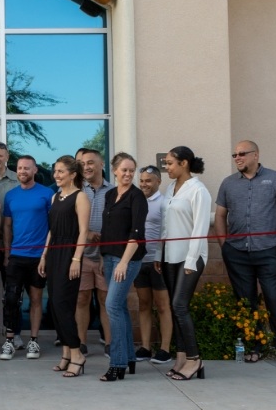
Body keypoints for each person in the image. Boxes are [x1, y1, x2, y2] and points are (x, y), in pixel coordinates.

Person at [216, 140, 276, 366]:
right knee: (246, 301)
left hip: (269, 250)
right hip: (237, 253)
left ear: (256, 155)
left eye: (242, 154)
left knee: (273, 298)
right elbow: (220, 216)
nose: (238, 158)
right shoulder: (228, 183)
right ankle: (254, 346)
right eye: (235, 155)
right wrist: (225, 246)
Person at [154, 147, 211, 381]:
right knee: (175, 307)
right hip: (169, 255)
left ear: (184, 163)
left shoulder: (198, 190)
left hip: (191, 257)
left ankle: (195, 360)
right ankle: (181, 358)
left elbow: (200, 228)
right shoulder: (170, 188)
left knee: (179, 306)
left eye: (170, 163)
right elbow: (165, 225)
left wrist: (191, 260)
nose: (166, 167)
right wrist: (159, 253)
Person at [97, 153, 147, 382]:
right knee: (121, 308)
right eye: (124, 170)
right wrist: (101, 257)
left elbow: (136, 233)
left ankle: (117, 364)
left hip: (128, 259)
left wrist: (124, 262)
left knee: (113, 306)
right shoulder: (109, 195)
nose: (128, 174)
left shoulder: (137, 197)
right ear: (115, 170)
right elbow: (107, 231)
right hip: (109, 257)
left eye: (131, 170)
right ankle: (129, 358)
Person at [39, 155, 90, 378]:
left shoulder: (81, 197)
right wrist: (43, 256)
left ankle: (77, 354)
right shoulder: (55, 198)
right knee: (55, 306)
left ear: (72, 174)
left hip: (70, 254)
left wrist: (77, 259)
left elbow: (83, 232)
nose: (56, 175)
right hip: (54, 254)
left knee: (63, 305)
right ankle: (66, 353)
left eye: (60, 171)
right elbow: (51, 230)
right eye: (55, 171)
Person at [0, 155, 53, 361]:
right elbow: (6, 226)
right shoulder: (11, 195)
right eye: (20, 168)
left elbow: (52, 227)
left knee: (36, 300)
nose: (22, 171)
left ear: (35, 170)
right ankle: (9, 341)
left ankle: (34, 340)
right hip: (16, 256)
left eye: (26, 168)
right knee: (11, 300)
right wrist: (6, 253)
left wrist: (46, 254)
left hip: (38, 257)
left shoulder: (47, 194)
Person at [133, 165, 173, 364]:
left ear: (158, 181)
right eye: (141, 181)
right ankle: (146, 347)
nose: (144, 184)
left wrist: (159, 255)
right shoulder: (136, 201)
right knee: (144, 304)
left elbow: (168, 232)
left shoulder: (165, 203)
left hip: (158, 262)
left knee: (163, 306)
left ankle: (165, 349)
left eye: (148, 181)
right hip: (139, 262)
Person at [76, 148, 112, 356]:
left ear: (101, 165)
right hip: (82, 256)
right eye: (82, 164)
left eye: (90, 163)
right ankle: (81, 343)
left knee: (106, 300)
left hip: (106, 256)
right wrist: (86, 232)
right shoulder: (77, 191)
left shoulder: (114, 191)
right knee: (81, 299)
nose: (86, 167)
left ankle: (109, 343)